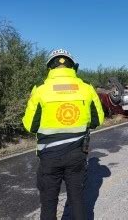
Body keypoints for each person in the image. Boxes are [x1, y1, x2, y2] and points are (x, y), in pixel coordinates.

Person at [22, 49, 105, 219]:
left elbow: (30, 125)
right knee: (78, 200)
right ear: (73, 66)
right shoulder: (86, 88)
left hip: (49, 156)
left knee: (48, 202)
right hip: (77, 154)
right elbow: (98, 120)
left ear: (50, 67)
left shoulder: (39, 90)